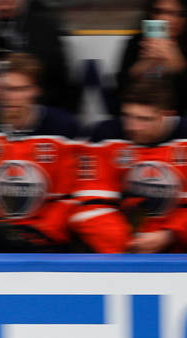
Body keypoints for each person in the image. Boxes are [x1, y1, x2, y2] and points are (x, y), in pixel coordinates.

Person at [0, 104, 127, 254]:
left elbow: (70, 197)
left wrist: (41, 232)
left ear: (34, 91)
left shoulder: (61, 134)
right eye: (7, 90)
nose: (13, 99)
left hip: (48, 245)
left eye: (19, 89)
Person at [77, 79, 187, 253]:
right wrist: (127, 249)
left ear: (168, 114)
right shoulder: (106, 135)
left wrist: (171, 234)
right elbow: (91, 204)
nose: (133, 127)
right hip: (120, 250)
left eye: (144, 119)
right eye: (127, 116)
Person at [0, 52, 79, 138]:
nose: (9, 96)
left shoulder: (62, 126)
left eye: (18, 89)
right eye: (3, 88)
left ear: (36, 90)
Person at [116, 0, 187, 117]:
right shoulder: (136, 43)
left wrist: (179, 65)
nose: (166, 18)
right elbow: (121, 91)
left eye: (178, 14)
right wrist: (143, 66)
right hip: (138, 113)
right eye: (159, 11)